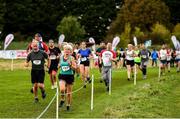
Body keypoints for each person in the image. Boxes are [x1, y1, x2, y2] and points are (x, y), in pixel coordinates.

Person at [58, 44, 76, 111]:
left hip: (70, 76)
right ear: (64, 50)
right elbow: (60, 64)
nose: (67, 51)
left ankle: (68, 105)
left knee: (68, 93)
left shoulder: (72, 58)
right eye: (66, 49)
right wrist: (57, 66)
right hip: (62, 75)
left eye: (68, 50)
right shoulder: (61, 57)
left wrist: (71, 65)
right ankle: (62, 99)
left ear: (70, 51)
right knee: (62, 89)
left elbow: (75, 68)